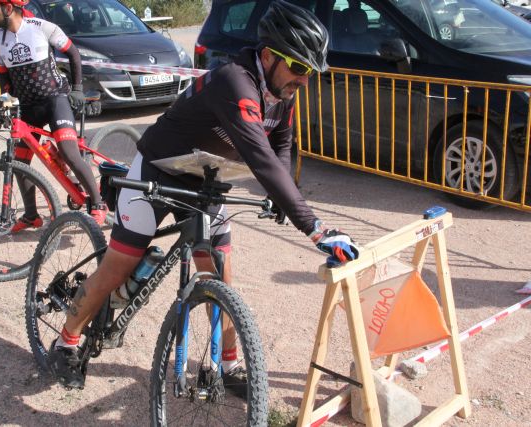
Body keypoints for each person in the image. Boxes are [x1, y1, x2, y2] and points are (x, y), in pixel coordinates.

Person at [48, 0, 360, 389]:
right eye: (298, 67)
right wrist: (315, 227)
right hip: (158, 171)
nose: (304, 79)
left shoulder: (282, 93)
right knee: (119, 267)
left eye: (310, 71)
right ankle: (66, 341)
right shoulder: (235, 81)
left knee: (222, 277)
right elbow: (260, 158)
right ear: (268, 56)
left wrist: (286, 200)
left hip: (205, 179)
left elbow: (280, 150)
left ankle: (229, 367)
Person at [0, 0, 107, 230]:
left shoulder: (41, 27)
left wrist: (78, 89)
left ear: (8, 8)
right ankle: (31, 216)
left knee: (69, 152)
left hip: (55, 100)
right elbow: (3, 75)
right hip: (27, 107)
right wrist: (6, 102)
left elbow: (73, 53)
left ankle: (99, 203)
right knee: (20, 161)